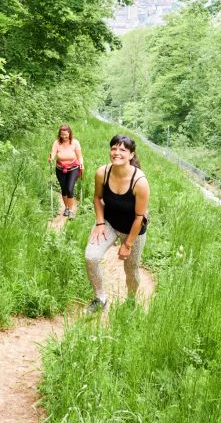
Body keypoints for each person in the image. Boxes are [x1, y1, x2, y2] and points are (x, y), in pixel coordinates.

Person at [84, 134, 150, 312]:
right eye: (114, 148)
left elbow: (139, 217)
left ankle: (130, 301)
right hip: (109, 223)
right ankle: (100, 298)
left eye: (123, 149)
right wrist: (99, 223)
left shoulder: (140, 182)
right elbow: (97, 198)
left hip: (133, 230)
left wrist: (127, 244)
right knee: (91, 256)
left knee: (131, 270)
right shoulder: (102, 173)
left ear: (131, 155)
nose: (117, 152)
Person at [48, 124, 84, 217]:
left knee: (69, 188)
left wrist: (81, 164)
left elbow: (79, 156)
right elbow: (53, 152)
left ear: (69, 133)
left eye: (65, 134)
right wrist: (51, 158)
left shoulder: (75, 142)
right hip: (60, 169)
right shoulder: (57, 143)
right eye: (61, 134)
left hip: (73, 168)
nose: (63, 136)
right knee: (64, 189)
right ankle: (66, 208)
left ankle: (71, 210)